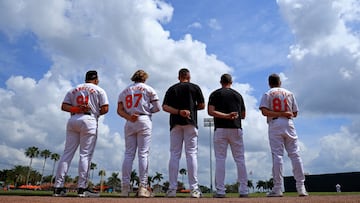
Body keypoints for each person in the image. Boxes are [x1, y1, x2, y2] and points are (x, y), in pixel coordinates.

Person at [53, 70, 109, 197]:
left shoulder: (74, 88)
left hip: (73, 119)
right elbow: (105, 108)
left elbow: (64, 106)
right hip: (89, 120)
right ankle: (82, 188)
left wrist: (76, 109)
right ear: (96, 79)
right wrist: (95, 113)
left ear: (86, 78)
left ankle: (58, 187)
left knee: (67, 154)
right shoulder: (99, 89)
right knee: (85, 155)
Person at [259, 73, 308, 197]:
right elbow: (294, 113)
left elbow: (264, 111)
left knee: (277, 156)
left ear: (269, 83)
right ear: (280, 82)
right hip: (289, 123)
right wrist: (284, 113)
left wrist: (279, 113)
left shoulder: (268, 93)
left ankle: (278, 188)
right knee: (295, 154)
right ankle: (301, 187)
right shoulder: (289, 93)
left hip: (275, 123)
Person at [117, 70, 161, 198]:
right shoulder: (149, 89)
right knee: (143, 154)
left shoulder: (124, 91)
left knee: (129, 154)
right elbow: (157, 107)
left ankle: (125, 188)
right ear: (145, 78)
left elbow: (119, 110)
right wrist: (147, 111)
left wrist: (129, 116)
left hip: (130, 120)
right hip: (144, 119)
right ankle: (143, 187)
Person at [162, 68, 205, 198]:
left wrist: (179, 111)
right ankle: (194, 189)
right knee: (191, 154)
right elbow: (202, 105)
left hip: (175, 123)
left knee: (174, 155)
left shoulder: (172, 88)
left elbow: (165, 107)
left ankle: (172, 189)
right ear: (189, 76)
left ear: (179, 77)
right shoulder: (195, 87)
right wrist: (191, 108)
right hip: (191, 123)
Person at [207, 74, 249, 198]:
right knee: (240, 160)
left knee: (220, 159)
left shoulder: (215, 94)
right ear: (231, 81)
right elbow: (243, 115)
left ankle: (220, 190)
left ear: (221, 82)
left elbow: (210, 111)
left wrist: (225, 115)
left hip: (220, 128)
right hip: (236, 128)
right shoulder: (238, 95)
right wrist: (232, 116)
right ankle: (244, 190)